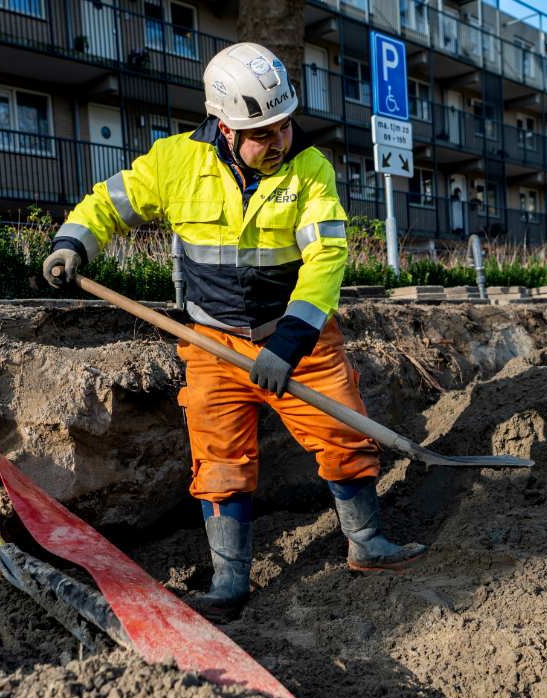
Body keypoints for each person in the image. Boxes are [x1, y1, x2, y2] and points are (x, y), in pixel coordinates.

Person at [42, 43, 427, 622]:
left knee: (344, 433)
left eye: (284, 126)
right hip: (212, 344)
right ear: (226, 126)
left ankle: (367, 543)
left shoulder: (311, 171)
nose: (279, 141)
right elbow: (109, 203)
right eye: (263, 132)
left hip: (296, 336)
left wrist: (288, 345)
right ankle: (228, 582)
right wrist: (73, 242)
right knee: (219, 459)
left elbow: (326, 259)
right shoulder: (174, 163)